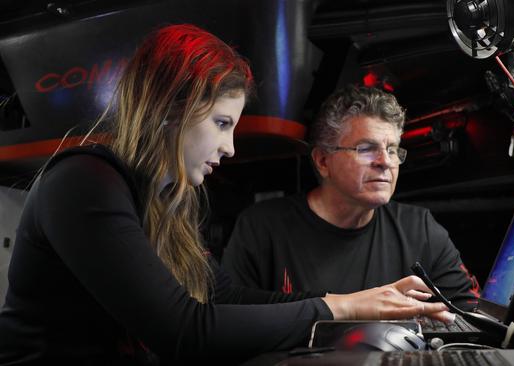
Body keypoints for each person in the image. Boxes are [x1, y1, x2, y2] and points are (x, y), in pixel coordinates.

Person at [0, 25, 453, 365]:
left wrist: (356, 303)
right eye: (221, 123)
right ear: (171, 109)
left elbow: (224, 298)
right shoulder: (84, 181)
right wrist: (341, 307)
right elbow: (183, 331)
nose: (230, 147)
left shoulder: (165, 201)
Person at [222, 85, 481, 312]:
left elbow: (470, 314)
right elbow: (232, 317)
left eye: (392, 149)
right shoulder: (262, 227)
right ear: (323, 161)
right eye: (366, 149)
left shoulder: (420, 228)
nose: (385, 162)